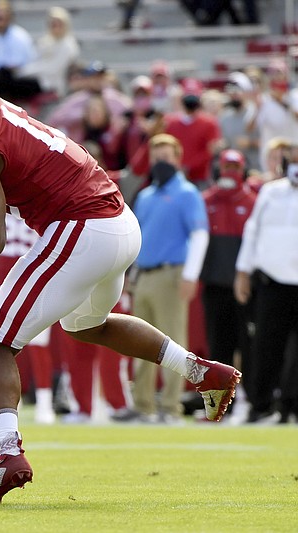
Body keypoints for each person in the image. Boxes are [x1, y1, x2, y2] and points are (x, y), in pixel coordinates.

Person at [0, 46, 242, 503]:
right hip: (118, 223)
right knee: (87, 324)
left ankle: (7, 455)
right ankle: (201, 370)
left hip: (81, 226)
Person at [118, 134, 209, 424]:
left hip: (171, 272)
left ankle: (170, 407)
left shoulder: (187, 192)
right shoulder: (146, 195)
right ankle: (143, 404)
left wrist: (191, 274)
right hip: (143, 274)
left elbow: (199, 233)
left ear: (178, 159)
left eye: (167, 157)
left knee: (173, 342)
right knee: (139, 342)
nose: (161, 162)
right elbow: (137, 238)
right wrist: (130, 277)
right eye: (157, 157)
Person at [234, 146, 298, 423]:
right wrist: (242, 272)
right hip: (272, 282)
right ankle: (259, 405)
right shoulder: (271, 192)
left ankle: (291, 407)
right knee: (265, 346)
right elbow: (252, 231)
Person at [200, 149, 257, 421]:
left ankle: (252, 402)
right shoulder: (206, 200)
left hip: (244, 288)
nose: (230, 172)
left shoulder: (253, 201)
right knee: (218, 348)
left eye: (235, 166)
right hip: (214, 285)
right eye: (226, 166)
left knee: (248, 346)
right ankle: (221, 407)